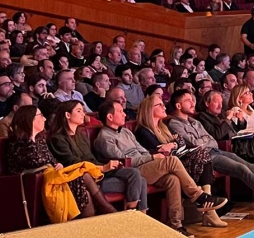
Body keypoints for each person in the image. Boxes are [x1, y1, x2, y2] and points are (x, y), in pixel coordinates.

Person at [92, 100, 226, 234]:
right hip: (131, 172)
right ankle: (198, 196)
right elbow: (125, 162)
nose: (124, 114)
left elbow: (142, 150)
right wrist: (152, 158)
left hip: (145, 166)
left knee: (173, 179)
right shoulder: (104, 138)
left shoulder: (126, 132)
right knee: (172, 161)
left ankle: (176, 225)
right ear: (110, 117)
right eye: (120, 112)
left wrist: (150, 158)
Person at [166, 90, 254, 210]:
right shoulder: (175, 123)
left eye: (192, 99)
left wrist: (205, 141)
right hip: (205, 157)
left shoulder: (194, 121)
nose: (192, 102)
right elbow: (195, 143)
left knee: (252, 167)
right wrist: (205, 140)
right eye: (188, 100)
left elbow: (212, 140)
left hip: (216, 150)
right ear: (178, 105)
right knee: (241, 169)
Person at [5, 106, 115, 221]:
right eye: (41, 116)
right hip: (34, 183)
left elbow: (51, 160)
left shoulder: (40, 140)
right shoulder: (18, 142)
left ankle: (94, 223)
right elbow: (35, 162)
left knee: (86, 192)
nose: (45, 119)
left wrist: (58, 165)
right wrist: (51, 165)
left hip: (52, 180)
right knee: (84, 175)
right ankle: (109, 212)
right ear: (30, 119)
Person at [133, 95, 228, 229]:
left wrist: (173, 145)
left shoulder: (164, 127)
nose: (164, 106)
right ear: (149, 109)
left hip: (173, 166)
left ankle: (176, 224)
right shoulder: (143, 131)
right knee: (180, 160)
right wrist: (174, 145)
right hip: (157, 166)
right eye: (159, 105)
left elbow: (181, 142)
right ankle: (200, 198)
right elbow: (161, 152)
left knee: (198, 159)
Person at [46, 100, 145, 214]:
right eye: (79, 111)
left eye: (83, 111)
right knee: (139, 181)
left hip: (96, 173)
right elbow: (72, 162)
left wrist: (107, 166)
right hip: (81, 179)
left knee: (136, 175)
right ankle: (131, 214)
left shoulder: (80, 135)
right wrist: (102, 168)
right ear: (68, 115)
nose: (83, 114)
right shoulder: (57, 139)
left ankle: (137, 214)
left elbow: (91, 159)